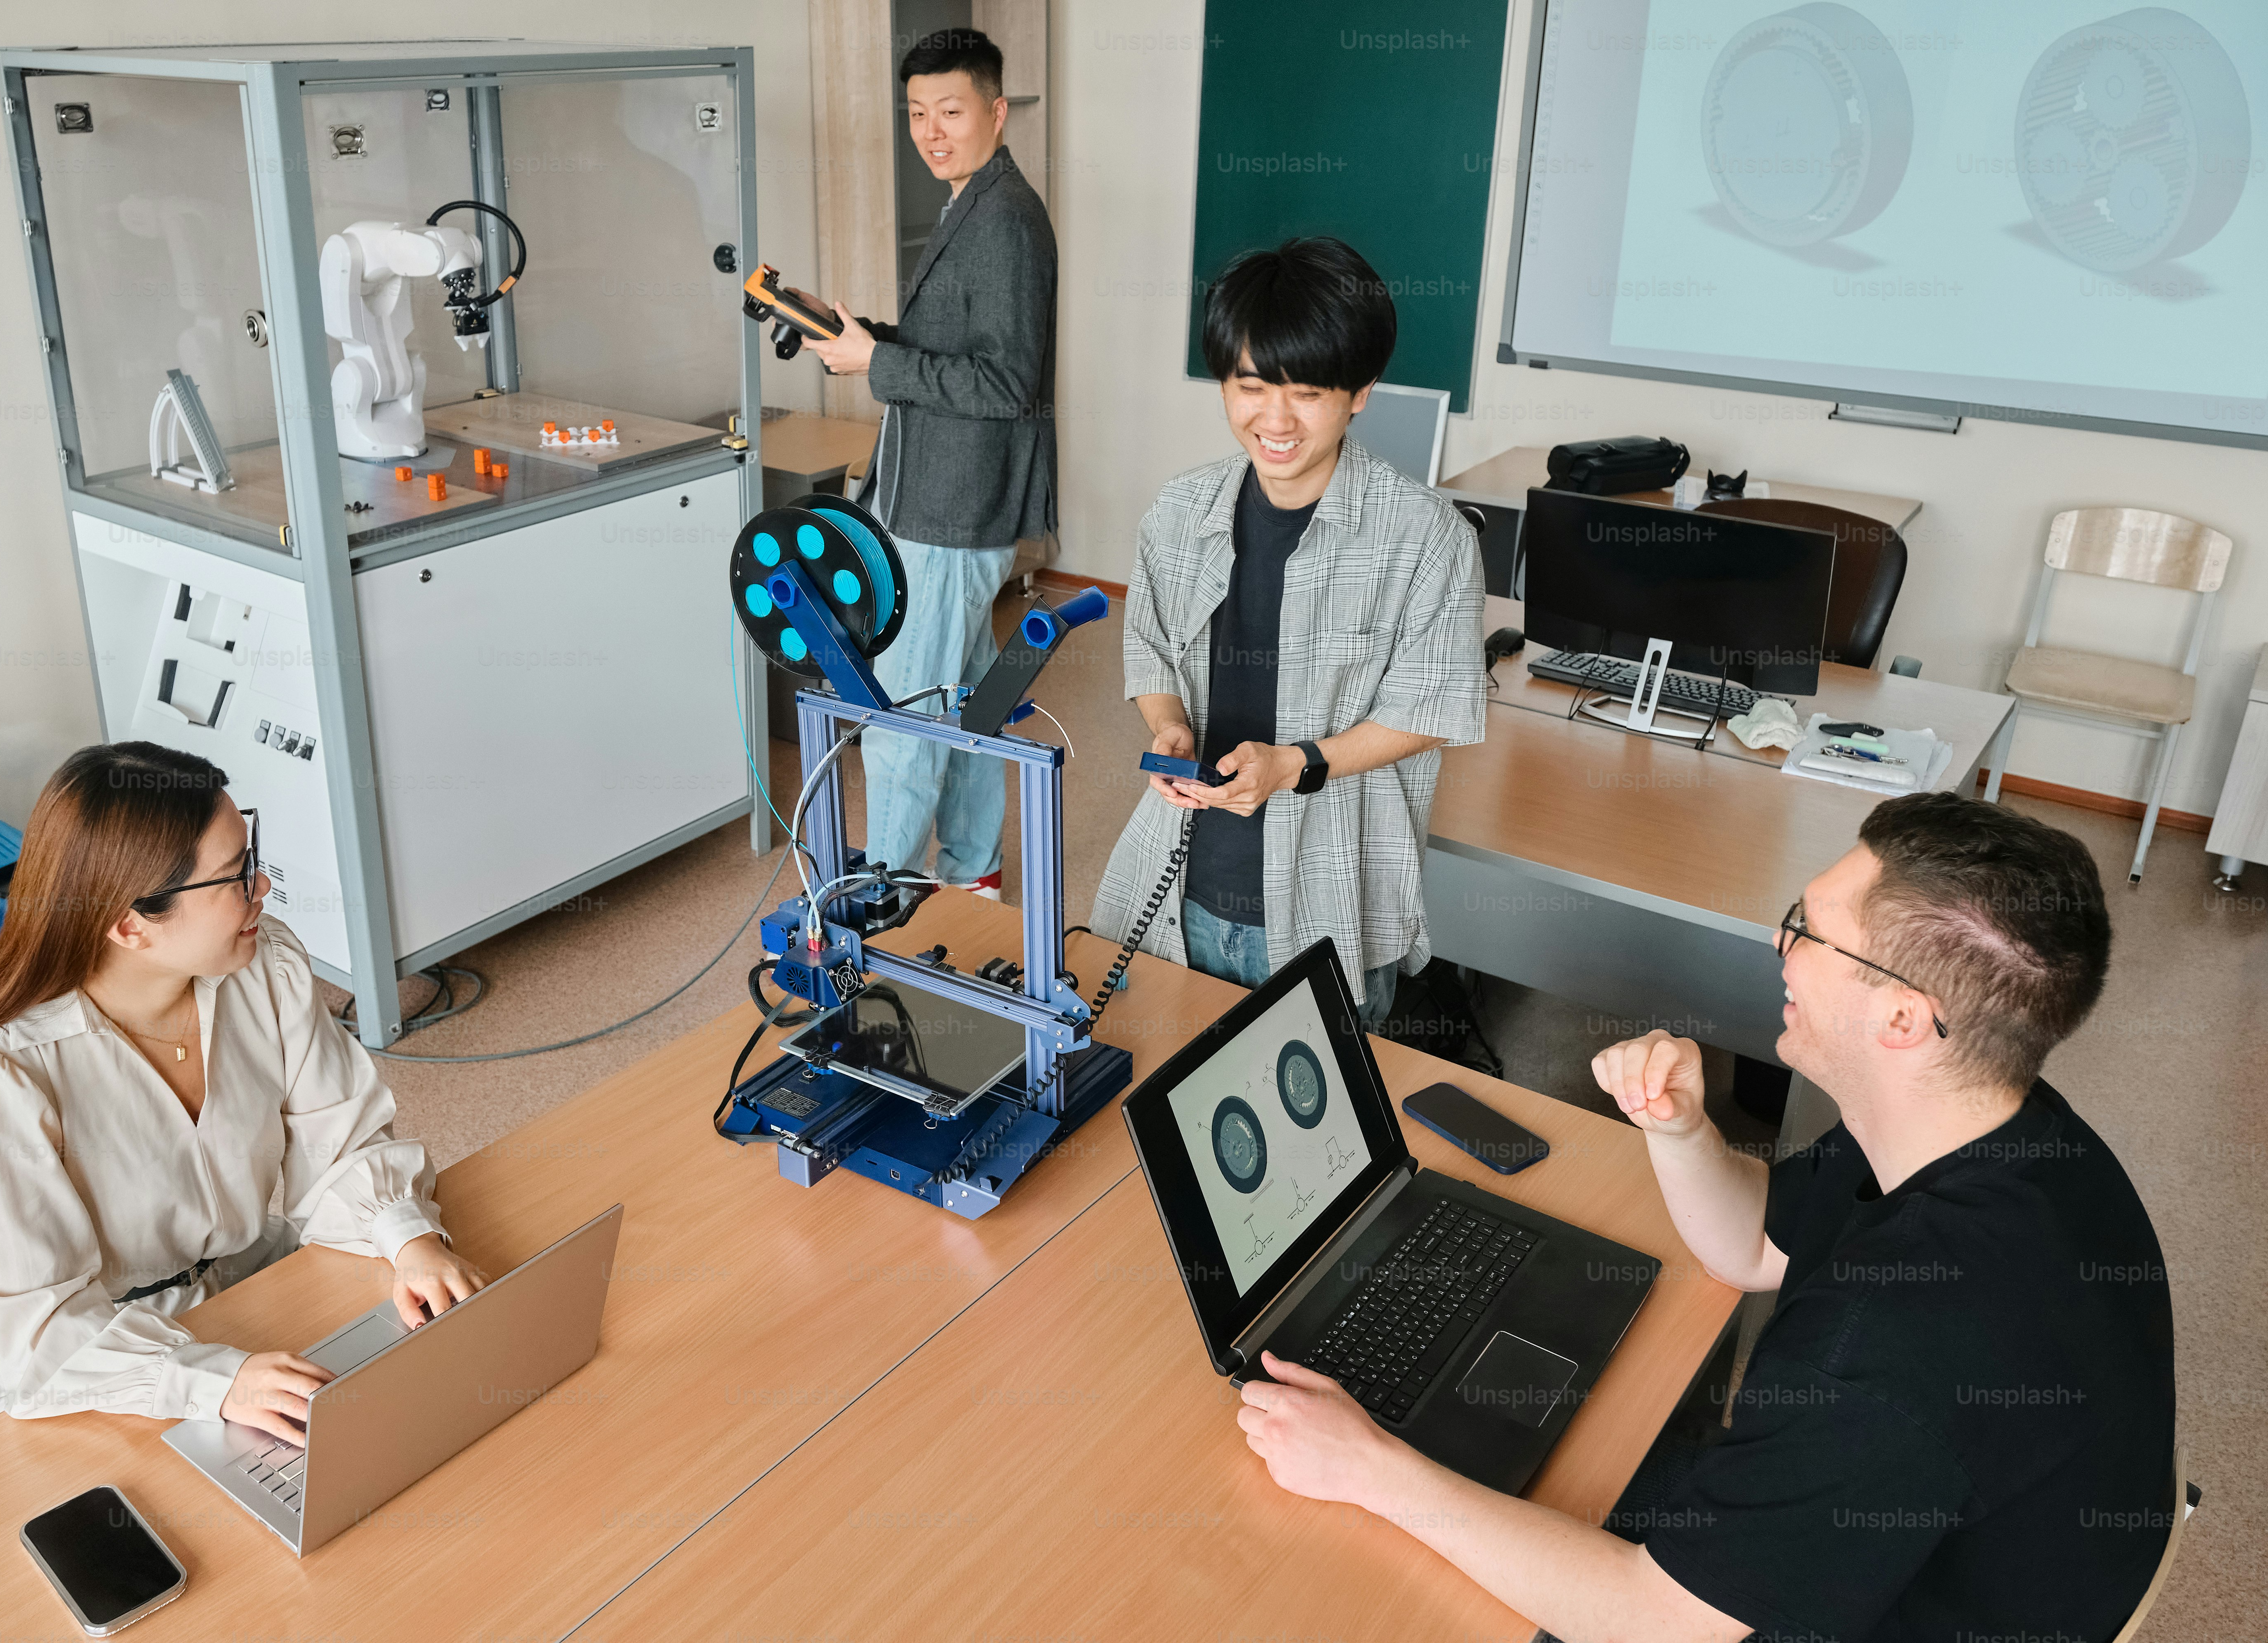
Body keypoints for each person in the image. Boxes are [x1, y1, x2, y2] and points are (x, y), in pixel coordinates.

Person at [1233, 792, 2176, 1643]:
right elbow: (1754, 1247)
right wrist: (1680, 1131)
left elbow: (1654, 1624)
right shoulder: (1990, 1123)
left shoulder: (1882, 1352)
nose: (1780, 946)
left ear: (1901, 1020)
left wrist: (1371, 1469)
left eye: (1809, 930)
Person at [0, 742, 483, 1444]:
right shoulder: (1, 1079)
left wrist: (407, 1235)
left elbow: (340, 1144)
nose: (264, 890)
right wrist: (216, 1381)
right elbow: (44, 1332)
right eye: (237, 877)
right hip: (108, 1380)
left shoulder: (264, 966)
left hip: (262, 1301)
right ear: (130, 924)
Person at [1090, 237, 1485, 1021]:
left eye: (1307, 392)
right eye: (1251, 385)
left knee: (1319, 1133)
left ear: (1360, 392)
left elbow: (1428, 709)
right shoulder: (1180, 508)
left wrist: (1293, 766)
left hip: (1328, 901)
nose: (1275, 418)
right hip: (1178, 884)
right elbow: (1153, 648)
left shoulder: (1427, 536)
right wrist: (1168, 728)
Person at [803, 26, 1055, 900]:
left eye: (950, 111)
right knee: (971, 703)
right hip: (935, 498)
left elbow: (1010, 381)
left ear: (995, 109)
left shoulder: (1008, 221)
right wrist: (873, 340)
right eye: (916, 114)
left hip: (953, 508)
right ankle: (976, 868)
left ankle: (886, 895)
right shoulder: (970, 203)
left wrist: (877, 365)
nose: (931, 131)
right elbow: (965, 348)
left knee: (906, 717)